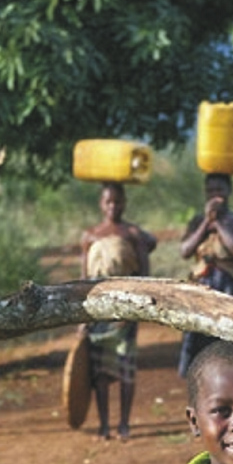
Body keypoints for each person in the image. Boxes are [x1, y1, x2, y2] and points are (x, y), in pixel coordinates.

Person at [79, 181, 158, 440]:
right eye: (108, 201)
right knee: (100, 373)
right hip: (98, 309)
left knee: (125, 369)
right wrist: (83, 317)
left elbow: (144, 277)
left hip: (125, 308)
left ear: (124, 203)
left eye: (117, 201)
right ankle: (104, 425)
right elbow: (84, 279)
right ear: (101, 204)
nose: (113, 206)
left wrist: (135, 310)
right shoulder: (90, 236)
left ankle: (124, 423)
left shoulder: (132, 234)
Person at [177, 172, 233, 377]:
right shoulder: (197, 221)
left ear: (229, 191)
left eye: (219, 190)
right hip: (202, 286)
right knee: (198, 337)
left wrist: (218, 224)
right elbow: (185, 251)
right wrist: (205, 224)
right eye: (210, 191)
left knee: (232, 338)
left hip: (230, 286)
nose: (215, 195)